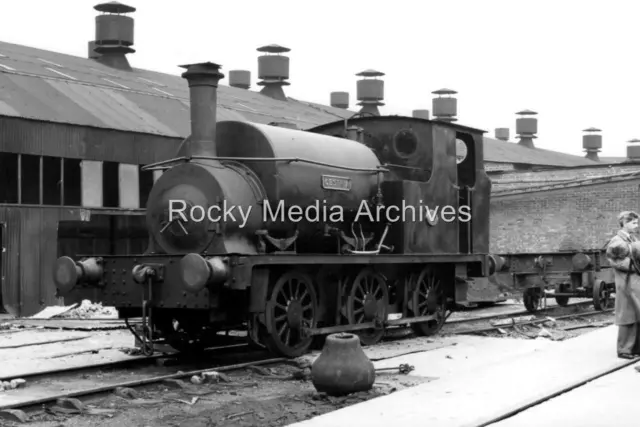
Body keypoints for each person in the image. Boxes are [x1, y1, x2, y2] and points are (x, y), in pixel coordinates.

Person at [605, 210, 640, 359]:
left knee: (637, 313)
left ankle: (635, 347)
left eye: (637, 222)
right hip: (626, 282)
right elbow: (614, 260)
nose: (637, 225)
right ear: (624, 224)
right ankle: (624, 349)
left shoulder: (632, 238)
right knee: (627, 315)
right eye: (633, 223)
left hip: (634, 281)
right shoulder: (617, 241)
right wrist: (634, 263)